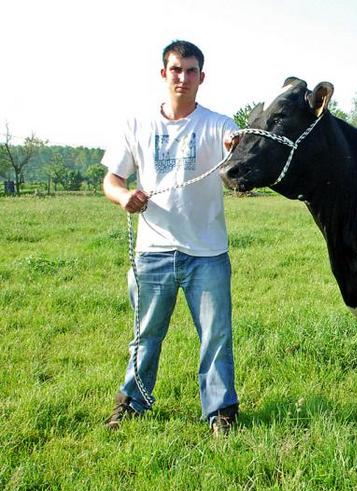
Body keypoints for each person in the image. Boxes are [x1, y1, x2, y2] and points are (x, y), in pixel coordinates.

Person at [101, 40, 239, 436]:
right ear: (164, 74)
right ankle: (132, 402)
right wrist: (125, 196)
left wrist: (235, 145)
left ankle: (220, 412)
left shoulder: (217, 124)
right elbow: (112, 179)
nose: (183, 77)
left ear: (202, 77)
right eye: (176, 69)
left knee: (216, 335)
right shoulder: (137, 124)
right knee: (146, 335)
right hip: (152, 252)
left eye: (191, 70)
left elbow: (237, 145)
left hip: (207, 252)